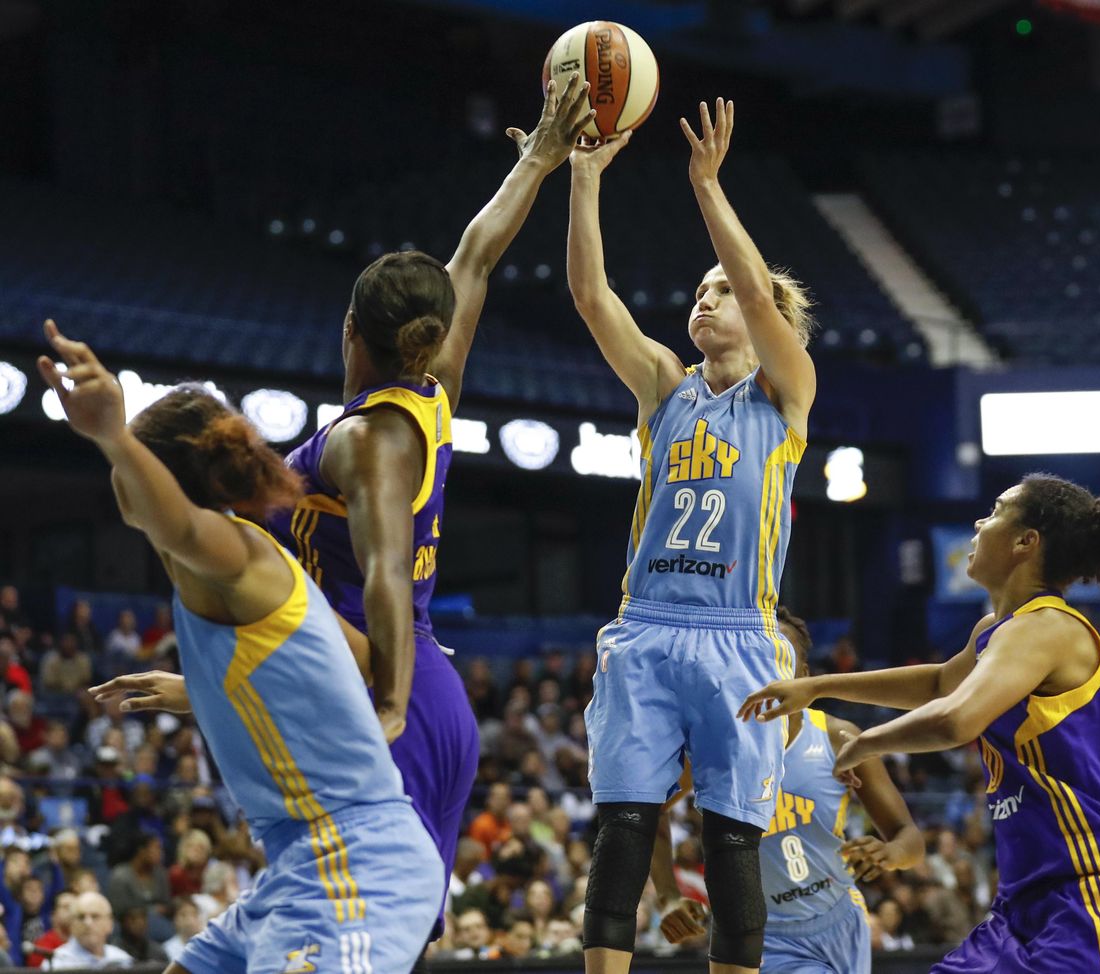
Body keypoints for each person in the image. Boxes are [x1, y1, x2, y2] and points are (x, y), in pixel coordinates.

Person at [265, 75, 594, 965]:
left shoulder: (368, 436)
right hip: (432, 690)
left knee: (356, 942)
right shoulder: (432, 393)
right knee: (388, 941)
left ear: (349, 332)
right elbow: (477, 256)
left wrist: (389, 704)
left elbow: (381, 566)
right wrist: (539, 157)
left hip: (389, 686)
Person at [40, 321, 442, 972]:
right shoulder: (246, 573)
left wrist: (113, 435)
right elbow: (362, 661)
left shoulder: (231, 551)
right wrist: (210, 693)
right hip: (297, 863)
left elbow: (181, 525)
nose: (118, 474)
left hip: (354, 860)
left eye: (133, 464)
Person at [566, 98, 817, 974]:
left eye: (721, 293)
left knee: (729, 839)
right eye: (700, 292)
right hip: (646, 625)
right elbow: (591, 297)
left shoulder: (785, 395)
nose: (705, 300)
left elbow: (754, 284)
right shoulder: (666, 390)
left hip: (739, 637)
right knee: (625, 826)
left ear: (765, 319)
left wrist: (708, 187)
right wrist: (584, 177)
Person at [741, 474, 1100, 973]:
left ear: (1024, 541)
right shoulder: (996, 632)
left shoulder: (1048, 626)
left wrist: (864, 743)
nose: (978, 520)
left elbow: (954, 719)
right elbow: (940, 684)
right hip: (1027, 902)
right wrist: (818, 687)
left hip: (1095, 893)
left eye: (996, 510)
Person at [652, 607, 923, 973]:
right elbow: (648, 808)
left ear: (805, 676)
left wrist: (888, 854)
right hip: (763, 934)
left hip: (842, 918)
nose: (769, 671)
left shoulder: (837, 738)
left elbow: (910, 840)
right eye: (758, 658)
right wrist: (667, 895)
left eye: (782, 657)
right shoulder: (710, 747)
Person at [47, 890, 132, 970]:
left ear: (110, 924)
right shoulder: (56, 964)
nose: (88, 923)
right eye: (81, 917)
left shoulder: (123, 961)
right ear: (72, 925)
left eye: (95, 916)